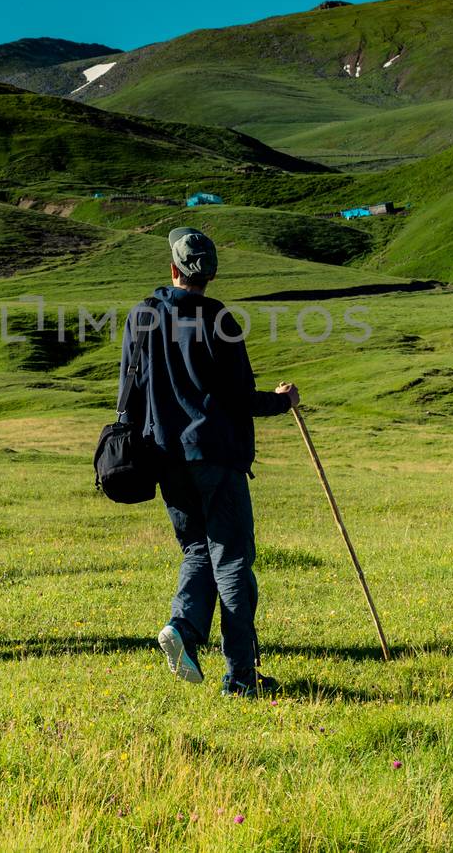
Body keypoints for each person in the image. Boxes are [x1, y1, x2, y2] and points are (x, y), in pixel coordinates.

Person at [120, 228, 298, 697]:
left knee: (197, 550)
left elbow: (129, 390)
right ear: (210, 273)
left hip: (164, 455)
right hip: (216, 454)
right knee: (233, 560)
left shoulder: (142, 316)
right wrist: (282, 402)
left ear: (173, 268)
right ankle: (241, 678)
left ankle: (184, 628)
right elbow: (239, 397)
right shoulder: (219, 320)